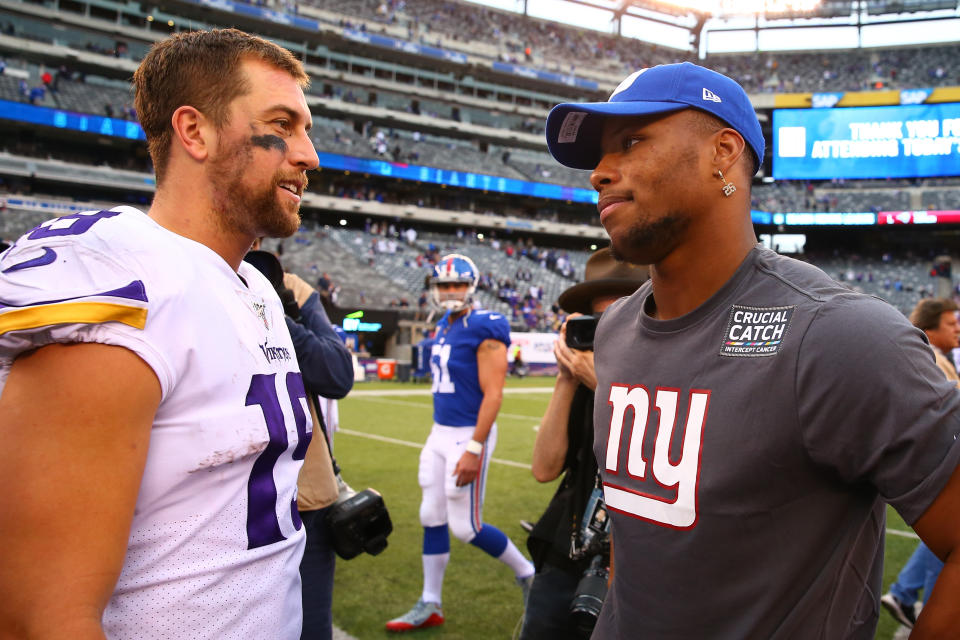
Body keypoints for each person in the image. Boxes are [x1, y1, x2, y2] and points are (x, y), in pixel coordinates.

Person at [544, 61, 960, 638]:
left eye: (631, 141)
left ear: (722, 152)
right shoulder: (616, 334)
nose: (600, 173)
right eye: (598, 156)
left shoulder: (839, 335)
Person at [0, 28, 319, 638]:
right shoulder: (123, 281)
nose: (310, 155)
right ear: (194, 131)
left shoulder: (253, 287)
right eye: (283, 124)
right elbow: (39, 618)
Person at [385, 253, 535, 632]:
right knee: (430, 516)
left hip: (469, 435)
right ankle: (430, 602)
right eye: (444, 285)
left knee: (467, 527)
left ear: (472, 286)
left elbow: (494, 395)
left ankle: (529, 575)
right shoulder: (444, 326)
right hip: (439, 432)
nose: (450, 292)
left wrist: (475, 447)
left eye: (457, 284)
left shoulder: (486, 325)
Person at [520, 248, 647, 640]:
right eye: (598, 320)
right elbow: (544, 468)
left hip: (638, 557)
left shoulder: (669, 374)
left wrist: (607, 388)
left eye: (620, 317)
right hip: (571, 541)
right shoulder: (584, 373)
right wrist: (566, 380)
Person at [244, 244, 355, 640]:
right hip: (220, 505)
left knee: (310, 629)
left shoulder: (290, 287)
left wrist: (272, 310)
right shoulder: (177, 276)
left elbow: (338, 375)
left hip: (305, 494)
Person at [881, 297, 960, 629]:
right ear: (930, 327)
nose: (957, 329)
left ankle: (903, 593)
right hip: (934, 467)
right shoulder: (928, 359)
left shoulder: (937, 357)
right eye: (951, 324)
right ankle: (918, 603)